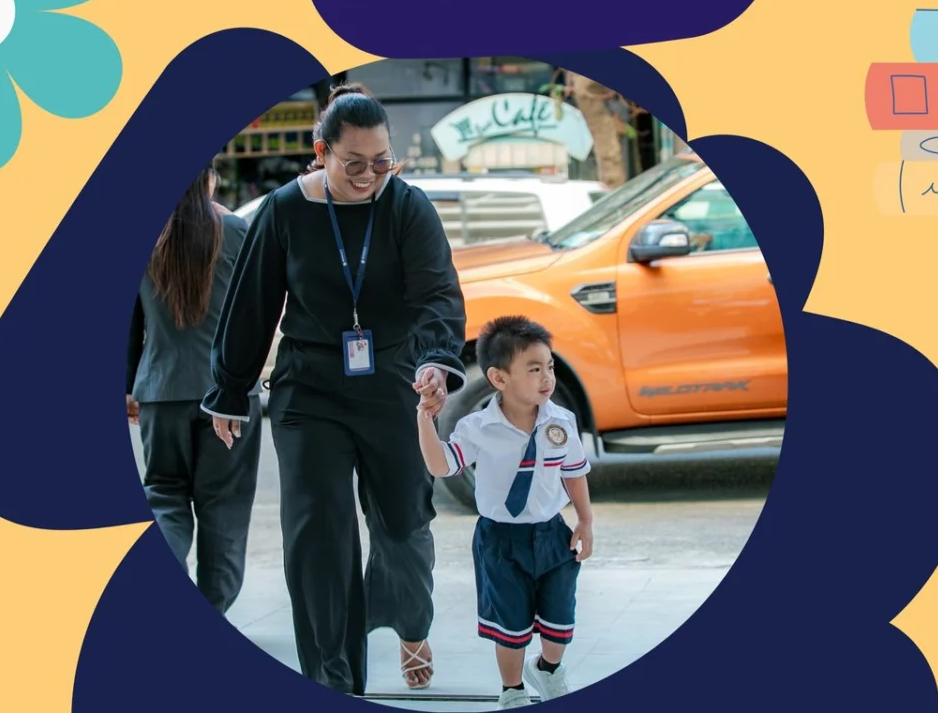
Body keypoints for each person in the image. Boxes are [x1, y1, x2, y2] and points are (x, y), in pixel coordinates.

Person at [201, 84, 467, 694]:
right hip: (308, 388)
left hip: (394, 381)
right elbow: (252, 306)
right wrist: (231, 389)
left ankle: (409, 622)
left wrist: (436, 363)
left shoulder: (406, 207)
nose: (369, 176)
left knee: (402, 525)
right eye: (354, 163)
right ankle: (333, 679)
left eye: (382, 162)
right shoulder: (284, 211)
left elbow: (438, 295)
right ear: (321, 152)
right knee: (318, 536)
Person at [417, 315, 594, 708]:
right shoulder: (478, 427)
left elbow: (574, 472)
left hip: (552, 533)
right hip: (500, 539)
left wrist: (585, 520)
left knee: (560, 618)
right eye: (534, 369)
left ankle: (548, 669)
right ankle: (512, 691)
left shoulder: (561, 422)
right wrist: (425, 419)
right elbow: (441, 465)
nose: (547, 377)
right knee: (510, 625)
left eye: (549, 366)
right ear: (499, 378)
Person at [126, 168, 261, 613]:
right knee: (225, 507)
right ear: (209, 180)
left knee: (164, 498)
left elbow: (129, 322)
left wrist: (127, 385)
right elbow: (258, 314)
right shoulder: (236, 231)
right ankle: (210, 613)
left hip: (160, 390)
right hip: (228, 395)